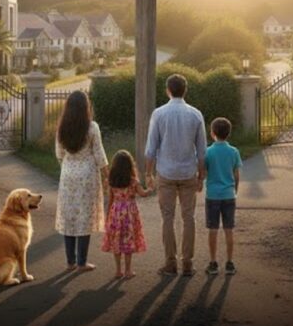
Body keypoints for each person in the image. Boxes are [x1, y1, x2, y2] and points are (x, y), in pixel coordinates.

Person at [145, 74, 207, 277]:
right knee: (189, 217)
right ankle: (187, 263)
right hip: (189, 172)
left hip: (166, 172)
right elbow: (201, 150)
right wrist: (201, 176)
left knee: (168, 218)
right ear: (185, 90)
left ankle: (170, 263)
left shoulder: (159, 113)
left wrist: (148, 173)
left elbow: (151, 148)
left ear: (168, 90)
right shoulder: (196, 114)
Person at [55, 90, 109, 272]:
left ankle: (70, 262)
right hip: (87, 176)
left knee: (69, 217)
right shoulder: (92, 127)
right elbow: (99, 154)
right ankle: (82, 262)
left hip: (68, 175)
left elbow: (59, 154)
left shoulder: (62, 127)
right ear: (86, 106)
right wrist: (107, 175)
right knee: (84, 217)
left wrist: (69, 165)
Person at [101, 150, 151, 279]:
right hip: (130, 214)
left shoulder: (111, 181)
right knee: (128, 241)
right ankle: (128, 270)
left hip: (115, 213)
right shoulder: (133, 181)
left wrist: (107, 216)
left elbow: (110, 200)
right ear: (130, 166)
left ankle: (118, 271)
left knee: (117, 240)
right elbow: (143, 194)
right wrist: (151, 188)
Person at [203, 117, 242, 276]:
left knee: (213, 230)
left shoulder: (208, 152)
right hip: (228, 195)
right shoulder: (233, 151)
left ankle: (213, 263)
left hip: (212, 195)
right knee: (229, 230)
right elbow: (236, 174)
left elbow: (204, 172)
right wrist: (235, 190)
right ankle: (230, 262)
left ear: (212, 133)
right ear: (228, 133)